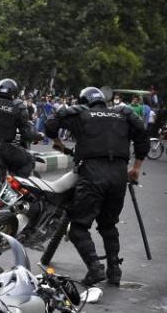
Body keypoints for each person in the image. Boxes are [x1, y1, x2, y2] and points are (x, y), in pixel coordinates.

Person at [46, 87, 147, 286]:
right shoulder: (123, 113)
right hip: (119, 174)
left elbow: (51, 123)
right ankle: (114, 270)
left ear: (84, 100)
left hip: (92, 173)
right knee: (108, 224)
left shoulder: (81, 114)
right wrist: (136, 168)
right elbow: (142, 135)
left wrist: (58, 142)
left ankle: (94, 267)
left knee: (78, 227)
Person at [0, 78, 41, 177]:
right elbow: (26, 133)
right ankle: (13, 187)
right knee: (28, 160)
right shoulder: (18, 106)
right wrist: (37, 136)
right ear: (15, 92)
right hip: (3, 148)